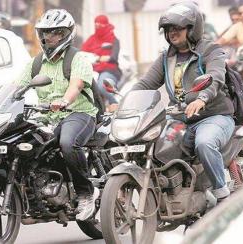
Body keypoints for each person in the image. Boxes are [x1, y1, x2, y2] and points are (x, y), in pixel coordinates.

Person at [132, 2, 235, 201]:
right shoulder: (166, 57)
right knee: (150, 144)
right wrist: (124, 102)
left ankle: (221, 193)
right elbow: (146, 83)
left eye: (178, 28)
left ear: (192, 28)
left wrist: (202, 98)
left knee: (204, 143)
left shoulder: (211, 50)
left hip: (213, 115)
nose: (172, 32)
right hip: (180, 118)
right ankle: (173, 190)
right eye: (169, 29)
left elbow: (216, 77)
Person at [15, 9, 99, 221]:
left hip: (79, 113)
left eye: (55, 33)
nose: (48, 37)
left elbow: (76, 85)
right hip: (48, 118)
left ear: (66, 34)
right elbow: (16, 87)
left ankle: (85, 191)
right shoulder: (36, 63)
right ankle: (34, 196)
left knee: (68, 142)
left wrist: (64, 100)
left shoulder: (77, 58)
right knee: (22, 144)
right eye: (44, 33)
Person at [81, 15, 122, 110]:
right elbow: (82, 51)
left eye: (100, 25)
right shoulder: (91, 39)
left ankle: (115, 103)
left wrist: (101, 58)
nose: (98, 27)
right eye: (96, 25)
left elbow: (114, 57)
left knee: (101, 86)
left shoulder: (114, 40)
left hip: (109, 70)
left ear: (106, 25)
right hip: (92, 69)